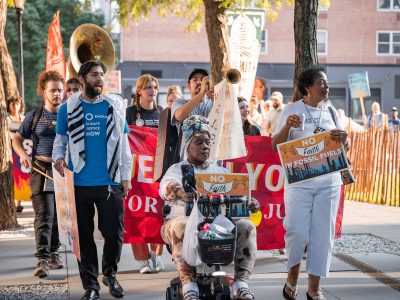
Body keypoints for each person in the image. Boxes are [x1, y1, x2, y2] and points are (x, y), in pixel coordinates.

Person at [53, 60, 133, 300]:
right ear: (82, 79)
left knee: (114, 233)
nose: (100, 79)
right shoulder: (67, 108)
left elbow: (125, 147)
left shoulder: (115, 105)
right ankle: (91, 286)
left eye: (102, 74)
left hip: (110, 182)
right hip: (78, 183)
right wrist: (58, 157)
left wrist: (126, 177)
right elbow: (60, 141)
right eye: (95, 75)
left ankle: (110, 274)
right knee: (83, 237)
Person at [159, 115, 259, 300]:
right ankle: (189, 285)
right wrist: (180, 192)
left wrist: (249, 203)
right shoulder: (177, 169)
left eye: (207, 142)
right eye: (199, 142)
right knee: (183, 225)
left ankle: (240, 284)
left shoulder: (221, 172)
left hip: (217, 226)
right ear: (187, 145)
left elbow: (237, 196)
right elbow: (167, 187)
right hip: (180, 223)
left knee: (247, 226)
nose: (205, 146)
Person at [271, 66, 349, 300]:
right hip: (299, 184)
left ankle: (314, 289)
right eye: (322, 82)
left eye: (326, 83)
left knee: (322, 237)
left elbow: (344, 149)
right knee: (296, 232)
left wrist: (345, 140)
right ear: (308, 87)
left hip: (329, 183)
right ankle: (291, 279)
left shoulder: (333, 113)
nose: (327, 86)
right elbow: (275, 145)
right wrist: (287, 126)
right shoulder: (292, 110)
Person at [12, 71, 64, 277]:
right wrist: (23, 154)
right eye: (53, 90)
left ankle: (54, 253)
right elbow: (17, 138)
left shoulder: (69, 116)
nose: (57, 94)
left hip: (64, 174)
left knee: (60, 217)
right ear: (44, 92)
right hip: (41, 170)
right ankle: (42, 258)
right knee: (45, 215)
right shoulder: (34, 116)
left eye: (60, 90)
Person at [126, 74, 164, 273]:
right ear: (139, 91)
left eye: (155, 87)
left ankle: (156, 255)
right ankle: (142, 260)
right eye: (148, 87)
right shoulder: (129, 113)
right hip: (136, 173)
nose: (152, 90)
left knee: (158, 212)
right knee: (137, 214)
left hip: (157, 173)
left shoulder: (163, 114)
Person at [7, 96, 25, 212]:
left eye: (17, 103)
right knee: (13, 177)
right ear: (9, 105)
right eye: (12, 104)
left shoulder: (24, 118)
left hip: (22, 150)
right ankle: (13, 202)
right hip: (10, 151)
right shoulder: (7, 119)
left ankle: (19, 203)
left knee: (21, 176)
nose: (15, 106)